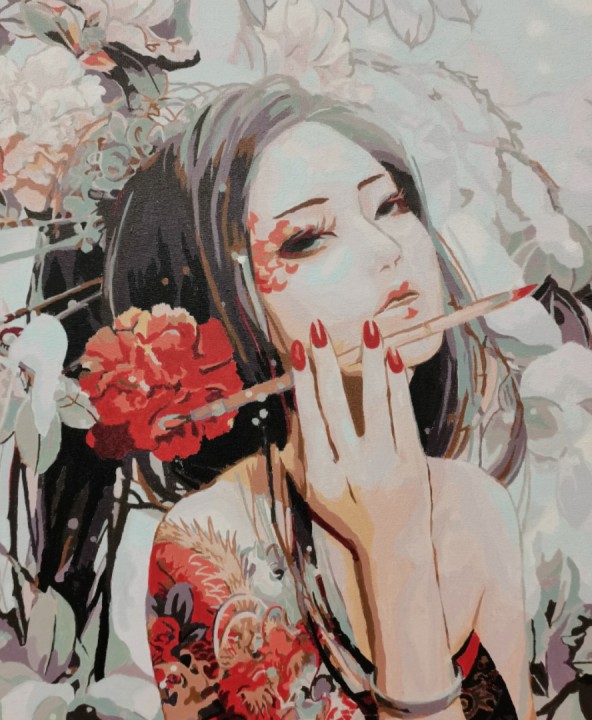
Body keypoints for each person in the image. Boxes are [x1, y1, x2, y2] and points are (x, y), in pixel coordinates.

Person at [100, 78, 536, 719]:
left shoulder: (477, 506)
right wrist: (392, 552)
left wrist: (398, 539)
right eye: (307, 238)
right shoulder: (211, 544)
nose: (390, 250)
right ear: (229, 303)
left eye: (389, 205)